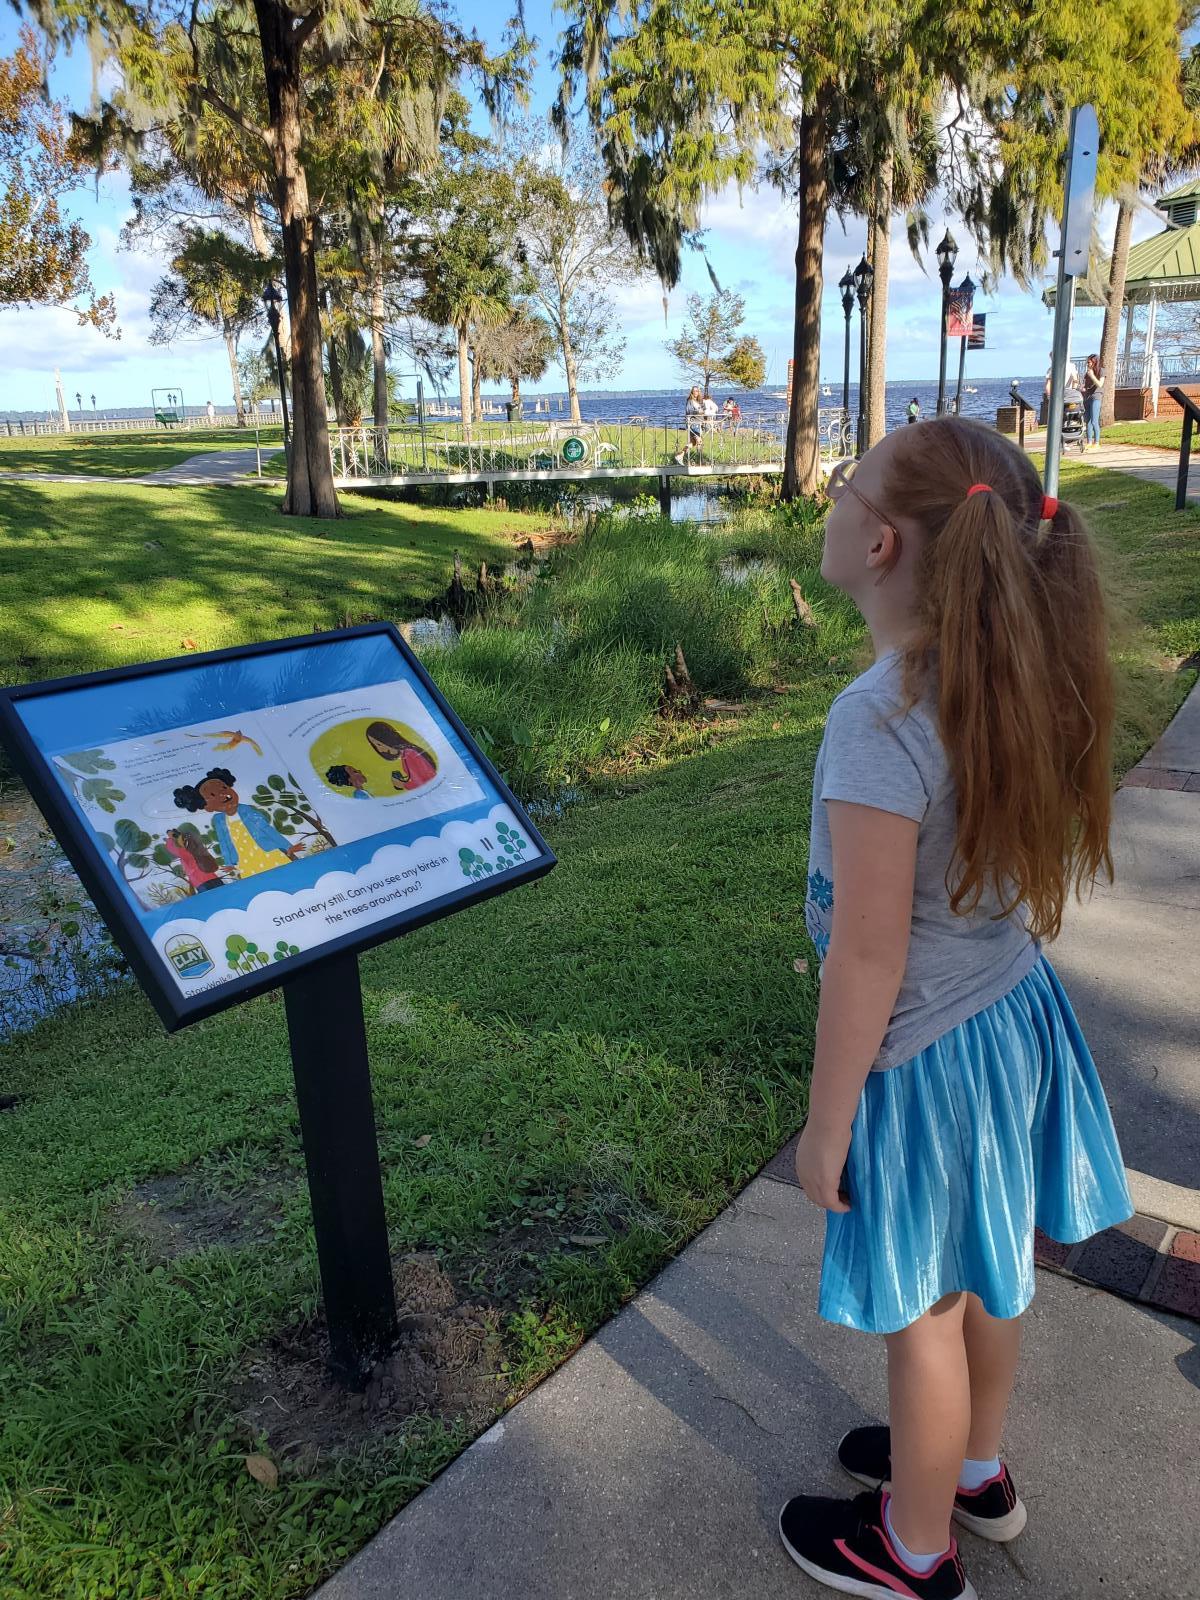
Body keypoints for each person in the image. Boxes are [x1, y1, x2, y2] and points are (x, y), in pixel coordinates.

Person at [777, 417, 1132, 1600]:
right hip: (1007, 1022)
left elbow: (867, 958)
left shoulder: (879, 723)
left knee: (923, 1310)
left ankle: (913, 1550)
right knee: (988, 1272)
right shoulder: (1009, 676)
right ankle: (972, 1467)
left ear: (881, 544)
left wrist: (829, 1125)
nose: (827, 500)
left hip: (923, 1054)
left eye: (843, 486)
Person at [173, 767, 303, 878]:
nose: (222, 794)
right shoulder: (218, 820)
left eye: (224, 788)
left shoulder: (247, 810)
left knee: (286, 875)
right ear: (208, 807)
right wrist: (229, 863)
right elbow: (224, 841)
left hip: (268, 851)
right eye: (213, 795)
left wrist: (287, 847)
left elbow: (266, 828)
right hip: (244, 860)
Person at [364, 722, 438, 790]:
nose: (378, 748)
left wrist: (402, 784)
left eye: (378, 744)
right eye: (374, 745)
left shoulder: (408, 753)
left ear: (386, 738)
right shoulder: (405, 754)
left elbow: (428, 780)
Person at [674, 386, 705, 463]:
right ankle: (700, 460)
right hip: (694, 424)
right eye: (694, 391)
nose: (696, 392)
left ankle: (680, 455)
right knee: (699, 441)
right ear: (692, 392)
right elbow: (689, 411)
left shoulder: (698, 401)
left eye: (697, 391)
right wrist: (698, 412)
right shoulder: (690, 401)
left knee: (693, 443)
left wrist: (702, 410)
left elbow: (703, 409)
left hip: (698, 423)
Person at [1082, 354, 1104, 449]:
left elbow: (1100, 384)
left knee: (1095, 420)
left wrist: (1092, 375)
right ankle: (1089, 442)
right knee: (1088, 421)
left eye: (1089, 362)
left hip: (1096, 397)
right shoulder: (1087, 372)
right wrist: (1082, 388)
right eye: (1087, 362)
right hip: (1087, 397)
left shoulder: (1101, 371)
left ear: (1094, 362)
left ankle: (1097, 442)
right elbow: (1086, 385)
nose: (1087, 364)